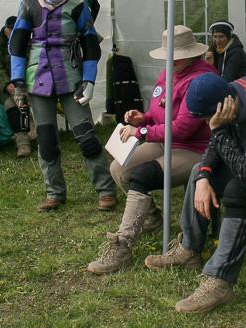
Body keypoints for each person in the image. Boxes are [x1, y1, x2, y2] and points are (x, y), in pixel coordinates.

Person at [142, 72, 246, 315]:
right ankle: (189, 249)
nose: (209, 122)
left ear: (223, 105)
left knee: (237, 189)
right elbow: (216, 147)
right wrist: (204, 176)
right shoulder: (228, 96)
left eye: (209, 118)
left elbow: (244, 170)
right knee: (199, 170)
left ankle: (219, 281)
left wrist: (217, 130)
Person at [87, 25, 218, 274]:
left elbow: (182, 129)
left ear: (191, 53)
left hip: (195, 149)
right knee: (119, 168)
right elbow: (160, 113)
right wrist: (143, 119)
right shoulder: (168, 73)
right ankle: (151, 217)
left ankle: (122, 245)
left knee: (142, 175)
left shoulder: (202, 79)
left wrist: (142, 132)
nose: (170, 61)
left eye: (176, 55)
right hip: (164, 141)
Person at [8, 0, 118, 213]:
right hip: (39, 84)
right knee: (46, 141)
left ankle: (106, 190)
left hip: (72, 81)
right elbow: (16, 46)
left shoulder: (79, 6)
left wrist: (89, 81)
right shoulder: (28, 6)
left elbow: (91, 46)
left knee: (87, 137)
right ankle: (54, 192)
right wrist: (19, 83)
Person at [0, 15, 32, 158]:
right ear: (5, 31)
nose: (15, 33)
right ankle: (23, 142)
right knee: (10, 103)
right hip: (5, 89)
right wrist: (19, 93)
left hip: (30, 85)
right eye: (11, 30)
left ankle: (35, 133)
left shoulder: (31, 47)